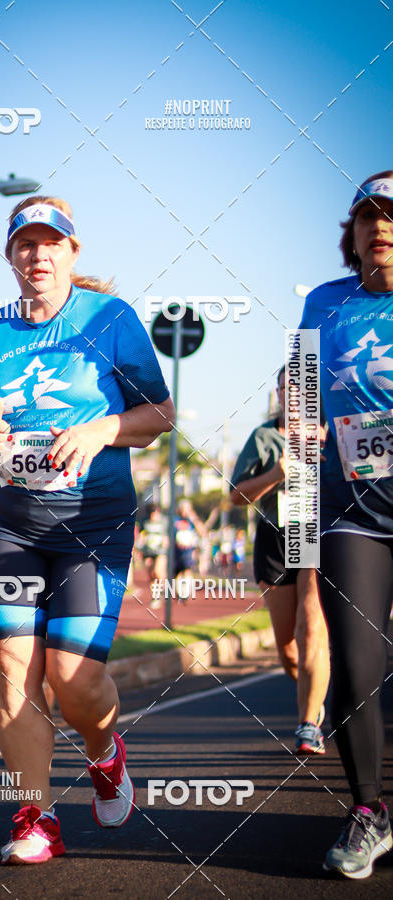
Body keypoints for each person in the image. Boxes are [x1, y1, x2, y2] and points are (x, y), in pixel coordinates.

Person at [0, 195, 175, 864]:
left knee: (73, 678)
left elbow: (159, 414)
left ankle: (104, 753)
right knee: (15, 668)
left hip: (91, 528)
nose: (38, 254)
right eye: (25, 244)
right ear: (11, 255)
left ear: (73, 252)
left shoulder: (111, 321)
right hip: (11, 527)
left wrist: (104, 428)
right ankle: (36, 818)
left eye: (51, 243)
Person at [299, 172, 393, 879]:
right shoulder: (322, 303)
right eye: (368, 217)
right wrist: (301, 423)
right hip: (351, 510)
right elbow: (300, 392)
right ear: (352, 233)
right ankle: (368, 811)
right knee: (357, 669)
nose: (380, 227)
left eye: (391, 217)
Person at [230, 366, 330, 756]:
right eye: (286, 390)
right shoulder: (265, 437)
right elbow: (236, 496)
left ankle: (307, 725)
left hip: (316, 535)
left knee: (312, 629)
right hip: (275, 540)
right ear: (277, 393)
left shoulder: (330, 432)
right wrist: (275, 472)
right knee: (288, 647)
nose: (293, 398)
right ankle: (314, 697)